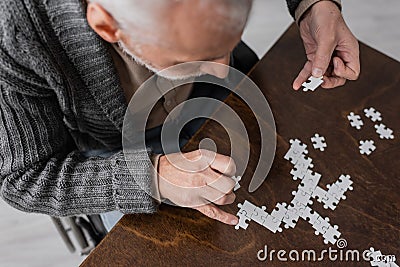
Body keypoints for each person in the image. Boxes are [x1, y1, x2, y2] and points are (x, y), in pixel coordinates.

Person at [0, 0, 359, 232]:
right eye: (189, 58)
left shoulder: (217, 67)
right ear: (107, 26)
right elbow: (23, 178)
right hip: (114, 152)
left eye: (228, 42)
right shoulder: (14, 30)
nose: (221, 71)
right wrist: (151, 176)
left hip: (219, 110)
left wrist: (314, 6)